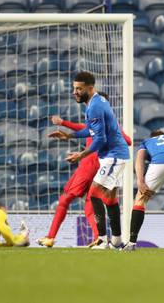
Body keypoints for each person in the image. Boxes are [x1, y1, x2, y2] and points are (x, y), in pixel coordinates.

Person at [49, 72, 130, 249]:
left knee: (93, 193)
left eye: (78, 89)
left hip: (113, 156)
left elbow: (99, 139)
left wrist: (81, 155)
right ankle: (116, 240)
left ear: (90, 88)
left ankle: (101, 240)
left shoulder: (94, 107)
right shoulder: (97, 102)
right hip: (113, 156)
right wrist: (69, 136)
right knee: (110, 199)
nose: (75, 92)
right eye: (74, 88)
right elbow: (91, 131)